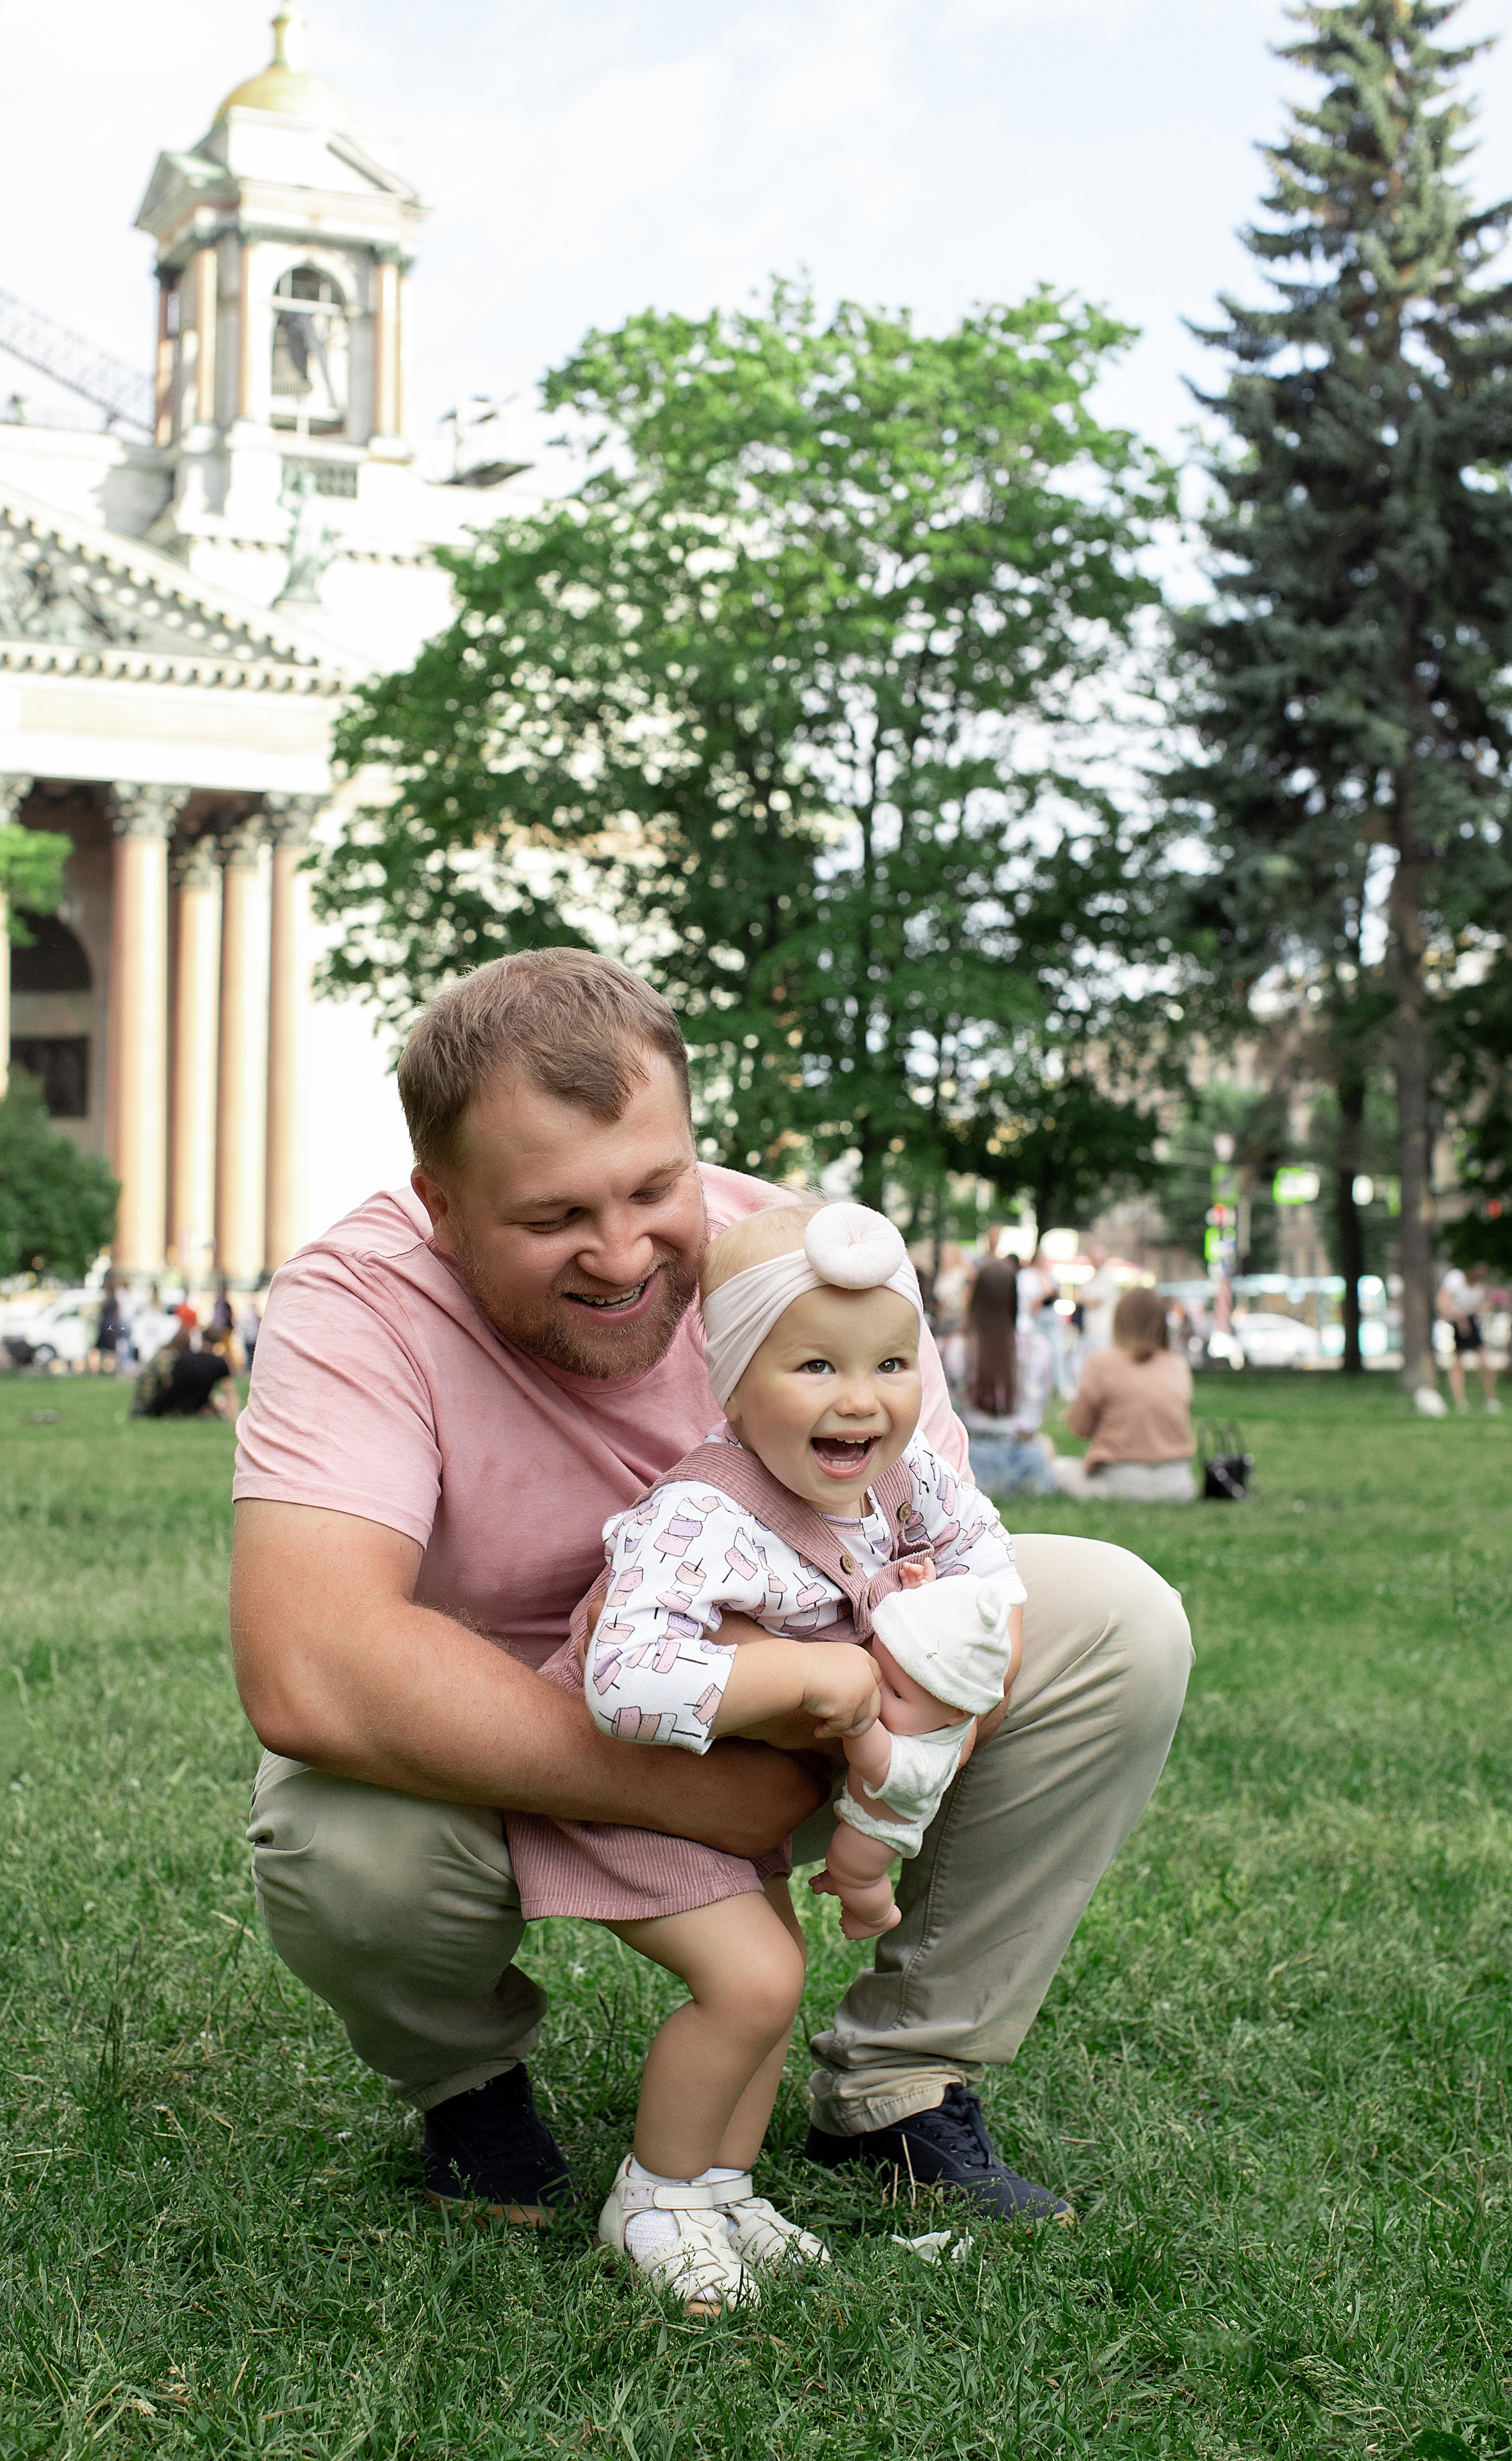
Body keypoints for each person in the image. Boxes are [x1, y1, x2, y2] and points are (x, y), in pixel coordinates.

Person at [230, 950, 1191, 2235]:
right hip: (500, 1751)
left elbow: (943, 1558)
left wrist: (861, 1748)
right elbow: (312, 1665)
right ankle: (465, 2084)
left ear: (692, 1143)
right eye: (550, 1218)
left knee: (1115, 1617)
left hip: (817, 1715)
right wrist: (691, 1779)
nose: (621, 1255)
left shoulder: (799, 1265)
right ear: (442, 1206)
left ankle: (902, 2083)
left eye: (652, 1186)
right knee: (340, 1845)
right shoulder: (358, 1301)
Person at [504, 1202, 1023, 2310]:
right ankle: (655, 2196)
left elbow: (983, 1548)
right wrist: (796, 1680)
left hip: (724, 1786)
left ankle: (722, 2188)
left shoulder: (895, 1474)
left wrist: (965, 1637)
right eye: (816, 1365)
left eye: (891, 1362)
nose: (861, 1398)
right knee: (750, 1980)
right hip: (632, 1788)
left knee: (770, 1987)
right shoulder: (704, 1514)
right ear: (734, 1387)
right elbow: (622, 1680)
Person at [1051, 1289, 1197, 1502]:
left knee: (1057, 1468)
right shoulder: (1178, 1366)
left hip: (1119, 1481)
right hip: (1178, 1484)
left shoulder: (1103, 1363)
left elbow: (1079, 1428)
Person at [953, 1258, 1057, 1496]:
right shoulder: (1038, 1348)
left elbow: (949, 1413)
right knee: (1047, 1445)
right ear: (1015, 1298)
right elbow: (1037, 1408)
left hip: (972, 1461)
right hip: (1026, 1462)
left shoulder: (954, 1349)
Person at [131, 1324, 236, 1421]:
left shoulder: (183, 1358)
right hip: (191, 1408)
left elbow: (168, 1383)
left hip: (163, 1407)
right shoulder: (220, 1362)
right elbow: (230, 1392)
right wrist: (232, 1417)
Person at [1436, 1261, 1502, 1414]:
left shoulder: (1479, 1289)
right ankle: (1460, 1402)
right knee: (1458, 1361)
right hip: (1456, 1320)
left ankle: (1491, 1399)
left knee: (1485, 1361)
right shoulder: (1455, 1278)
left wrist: (1484, 1309)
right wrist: (1459, 1318)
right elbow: (1442, 1302)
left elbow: (1476, 1307)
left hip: (1470, 1320)